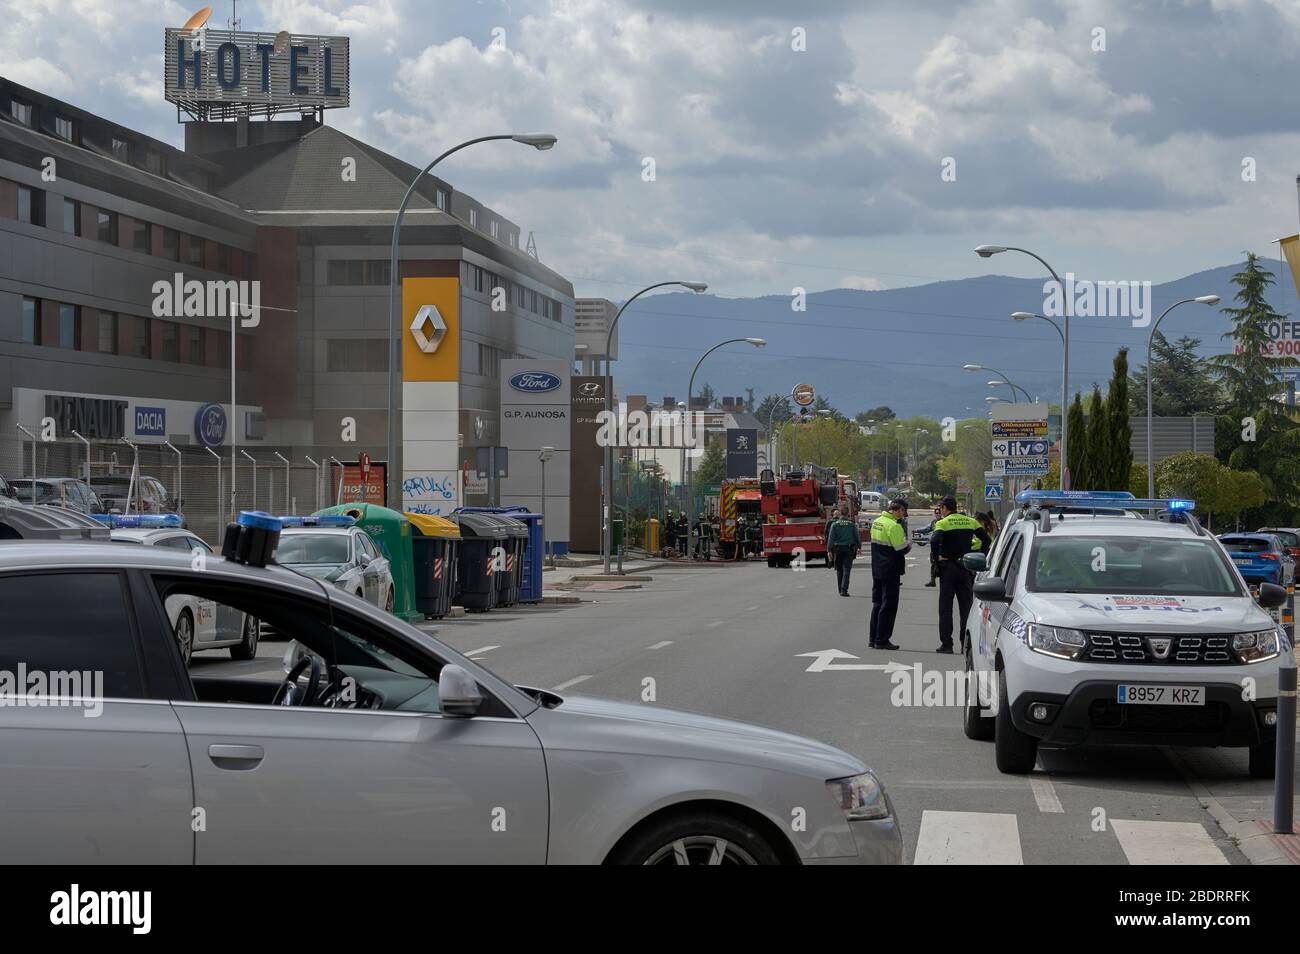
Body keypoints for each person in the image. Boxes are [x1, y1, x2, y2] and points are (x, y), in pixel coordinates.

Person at [930, 495, 992, 655]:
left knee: (945, 607)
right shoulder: (970, 521)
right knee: (966, 607)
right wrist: (979, 556)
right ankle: (966, 643)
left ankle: (946, 644)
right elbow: (986, 540)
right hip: (965, 567)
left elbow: (934, 541)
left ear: (945, 508)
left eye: (941, 509)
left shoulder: (942, 523)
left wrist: (937, 558)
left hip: (948, 567)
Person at [869, 498, 911, 650]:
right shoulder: (894, 526)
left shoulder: (877, 522)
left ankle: (873, 638)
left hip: (877, 569)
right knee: (889, 605)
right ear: (897, 509)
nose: (904, 514)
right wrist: (909, 545)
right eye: (903, 511)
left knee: (877, 603)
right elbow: (901, 549)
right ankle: (882, 640)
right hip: (891, 570)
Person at [825, 503, 861, 597]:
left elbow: (831, 538)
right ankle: (844, 590)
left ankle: (840, 589)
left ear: (840, 514)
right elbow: (857, 537)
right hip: (848, 549)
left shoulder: (834, 524)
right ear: (848, 514)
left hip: (837, 549)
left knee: (839, 570)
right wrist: (859, 547)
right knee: (846, 570)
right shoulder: (851, 524)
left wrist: (829, 550)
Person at [922, 505, 941, 588]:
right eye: (936, 513)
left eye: (939, 513)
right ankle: (932, 580)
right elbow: (927, 529)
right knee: (933, 563)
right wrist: (917, 530)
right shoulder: (934, 522)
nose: (937, 514)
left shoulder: (944, 521)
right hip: (934, 545)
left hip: (942, 546)